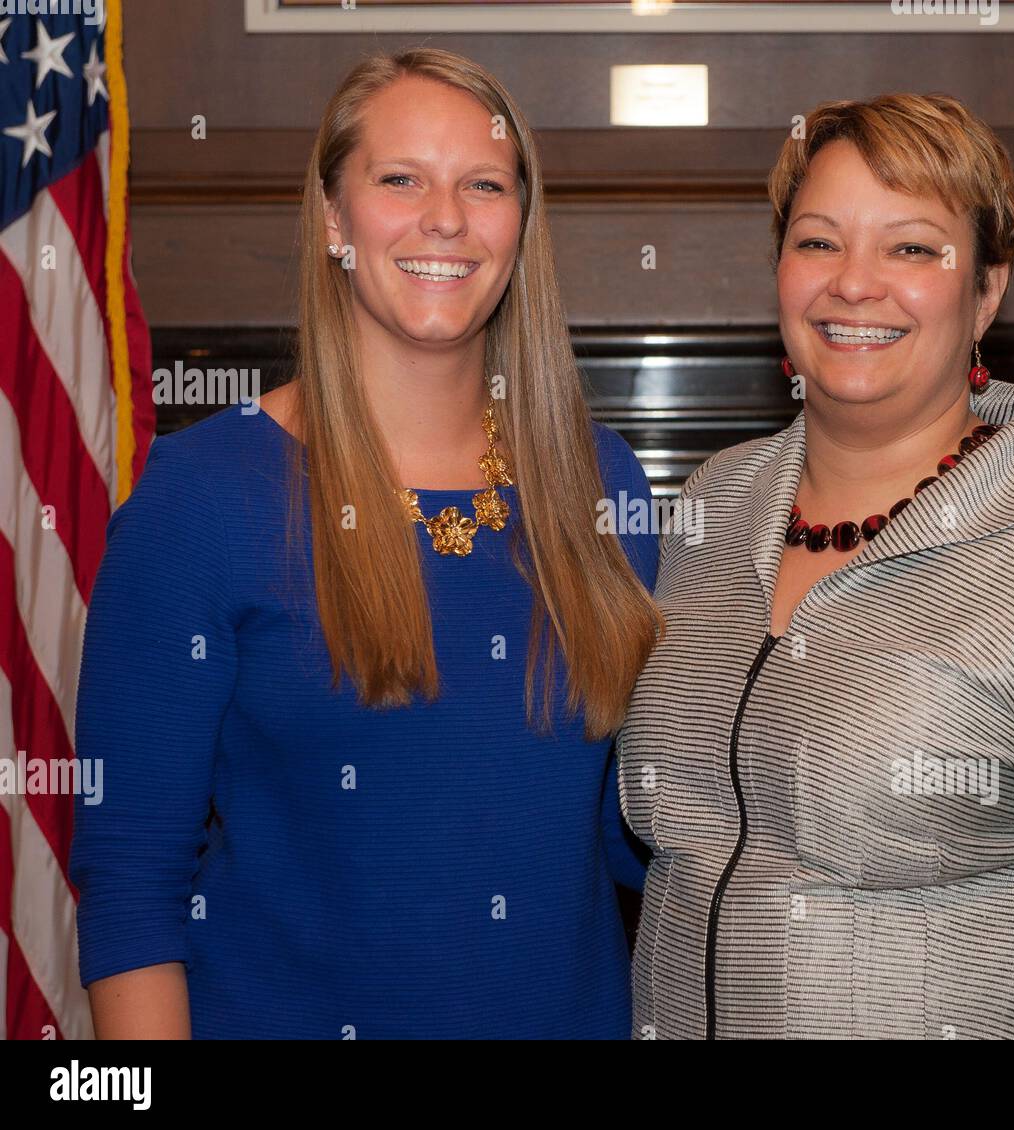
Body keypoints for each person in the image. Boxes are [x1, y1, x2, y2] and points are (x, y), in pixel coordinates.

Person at [71, 48, 661, 1039]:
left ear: (520, 222)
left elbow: (632, 834)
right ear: (336, 221)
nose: (445, 217)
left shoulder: (603, 484)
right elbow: (131, 884)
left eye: (484, 183)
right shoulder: (200, 500)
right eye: (400, 180)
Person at [616, 94, 1014, 1040]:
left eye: (911, 248)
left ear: (986, 293)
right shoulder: (710, 509)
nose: (855, 285)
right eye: (819, 242)